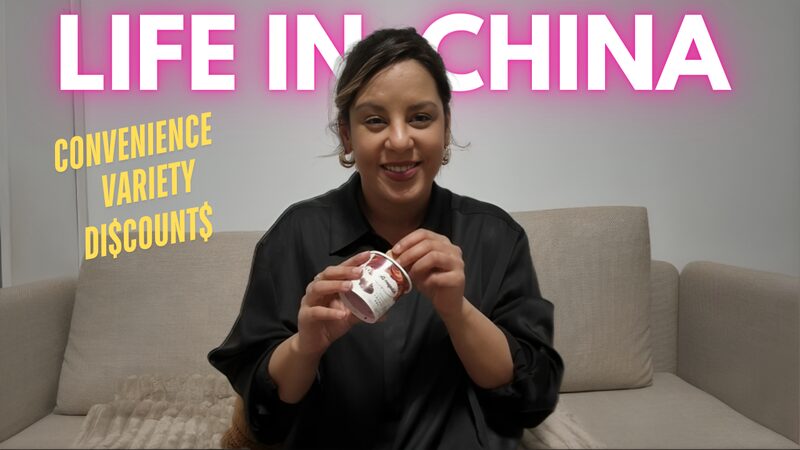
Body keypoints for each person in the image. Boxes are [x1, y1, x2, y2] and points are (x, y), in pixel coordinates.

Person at [208, 27, 564, 450]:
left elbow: (531, 399)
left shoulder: (495, 237)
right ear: (347, 134)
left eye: (420, 118)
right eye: (375, 120)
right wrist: (305, 347)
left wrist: (458, 313)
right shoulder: (295, 236)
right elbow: (263, 416)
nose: (399, 140)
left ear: (446, 127)